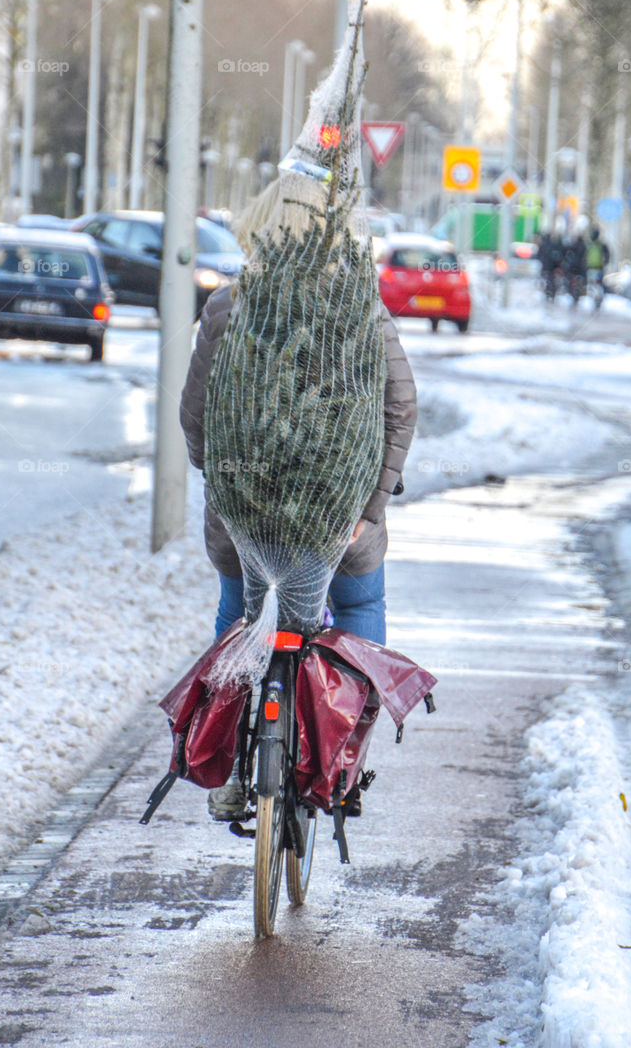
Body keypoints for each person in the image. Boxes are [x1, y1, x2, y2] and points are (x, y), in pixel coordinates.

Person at [179, 188, 418, 820]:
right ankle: (345, 761)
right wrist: (370, 502)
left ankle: (231, 763)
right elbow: (401, 407)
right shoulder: (361, 310)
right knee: (360, 606)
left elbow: (195, 411)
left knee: (238, 611)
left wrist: (220, 478)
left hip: (246, 524)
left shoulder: (228, 306)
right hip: (340, 525)